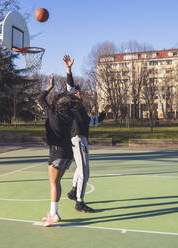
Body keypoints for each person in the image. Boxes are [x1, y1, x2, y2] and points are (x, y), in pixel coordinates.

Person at [63, 54, 110, 213]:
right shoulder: (73, 104)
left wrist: (104, 112)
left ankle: (73, 191)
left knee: (82, 169)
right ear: (76, 95)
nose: (83, 94)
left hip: (82, 141)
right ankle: (80, 202)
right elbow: (70, 88)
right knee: (84, 172)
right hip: (76, 139)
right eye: (80, 92)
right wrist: (69, 69)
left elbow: (93, 122)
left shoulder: (82, 110)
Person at [38, 73, 80, 227]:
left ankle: (54, 214)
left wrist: (50, 86)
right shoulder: (70, 114)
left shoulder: (52, 112)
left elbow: (40, 99)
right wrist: (68, 71)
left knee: (53, 183)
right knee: (57, 182)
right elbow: (71, 95)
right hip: (69, 153)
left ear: (55, 102)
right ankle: (53, 211)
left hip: (57, 152)